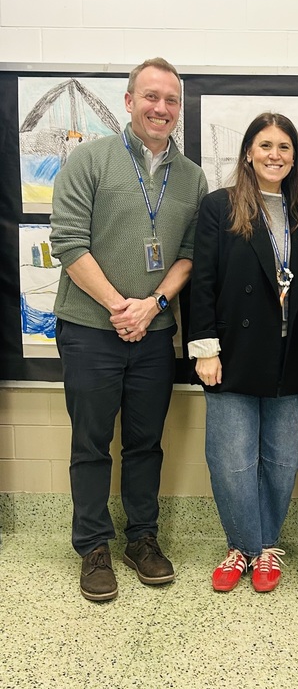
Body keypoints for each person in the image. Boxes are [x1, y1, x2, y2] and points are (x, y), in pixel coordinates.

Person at [50, 58, 208, 602]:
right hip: (90, 329)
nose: (161, 108)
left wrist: (152, 305)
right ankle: (94, 546)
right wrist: (122, 308)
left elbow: (190, 254)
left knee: (145, 443)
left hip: (154, 333)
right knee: (91, 443)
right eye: (151, 97)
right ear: (128, 101)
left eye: (171, 100)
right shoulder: (89, 159)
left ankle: (142, 538)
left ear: (179, 108)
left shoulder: (192, 177)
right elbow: (68, 242)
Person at [188, 113, 298, 593]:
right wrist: (205, 348)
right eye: (265, 145)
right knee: (232, 460)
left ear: (294, 159)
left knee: (282, 461)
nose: (274, 155)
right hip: (232, 352)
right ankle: (242, 547)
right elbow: (202, 281)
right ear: (248, 153)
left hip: (289, 355)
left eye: (284, 147)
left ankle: (264, 547)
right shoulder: (220, 206)